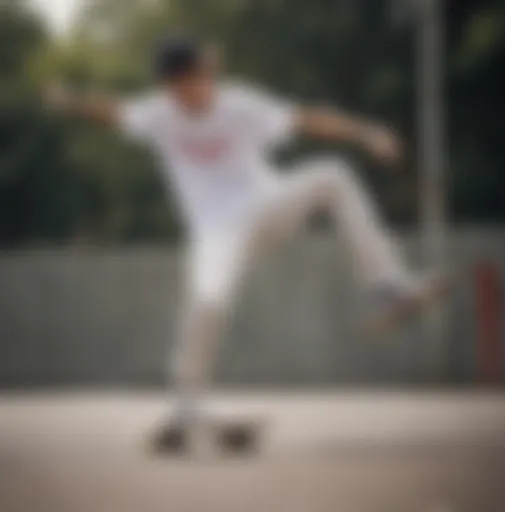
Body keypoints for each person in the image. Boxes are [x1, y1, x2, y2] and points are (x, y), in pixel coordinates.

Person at [45, 35, 447, 451]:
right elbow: (112, 112)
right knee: (208, 301)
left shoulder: (238, 104)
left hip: (266, 206)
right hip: (217, 231)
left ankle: (388, 285)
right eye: (188, 83)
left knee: (332, 175)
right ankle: (186, 407)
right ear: (170, 85)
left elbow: (306, 118)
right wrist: (70, 100)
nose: (200, 90)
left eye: (203, 78)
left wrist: (365, 131)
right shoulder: (157, 115)